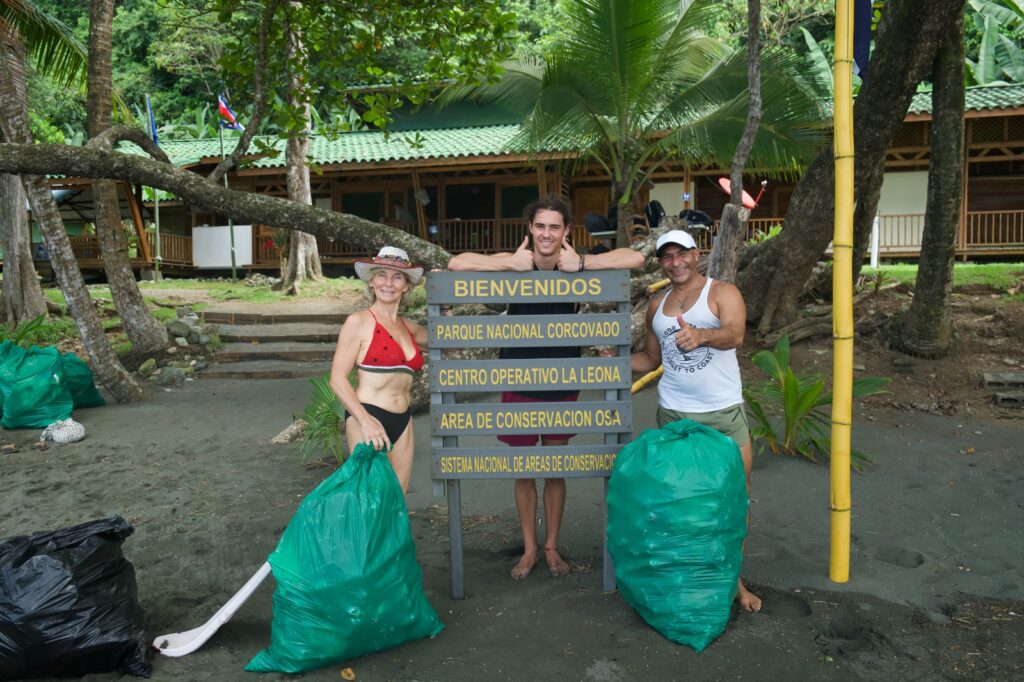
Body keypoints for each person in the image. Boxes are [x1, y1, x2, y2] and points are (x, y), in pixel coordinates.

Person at [448, 196, 643, 580]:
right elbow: (457, 263)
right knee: (524, 468)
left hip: (562, 378)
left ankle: (551, 546)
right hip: (517, 377)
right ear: (530, 229)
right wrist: (509, 262)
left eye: (555, 227)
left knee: (555, 467)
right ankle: (530, 548)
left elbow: (634, 259)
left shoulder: (577, 266)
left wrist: (583, 263)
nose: (547, 234)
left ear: (566, 232)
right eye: (540, 226)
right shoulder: (516, 262)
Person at [630, 229, 763, 612]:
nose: (675, 262)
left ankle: (732, 579)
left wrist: (702, 336)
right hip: (673, 414)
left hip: (723, 414)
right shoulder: (657, 306)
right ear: (661, 263)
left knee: (735, 496)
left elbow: (736, 335)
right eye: (667, 257)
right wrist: (613, 362)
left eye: (681, 254)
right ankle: (687, 574)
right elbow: (651, 360)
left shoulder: (722, 293)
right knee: (679, 499)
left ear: (696, 253)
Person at [329, 246, 427, 494]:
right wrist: (365, 421)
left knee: (398, 502)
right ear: (371, 281)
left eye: (397, 277)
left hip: (403, 421)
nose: (389, 283)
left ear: (406, 286)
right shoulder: (358, 322)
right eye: (381, 275)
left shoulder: (410, 328)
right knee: (372, 501)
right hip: (368, 416)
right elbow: (337, 379)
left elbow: (450, 338)